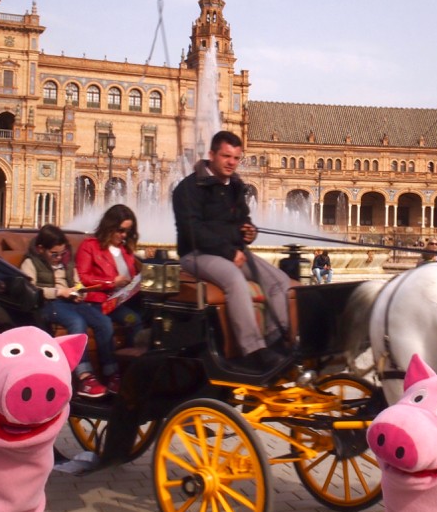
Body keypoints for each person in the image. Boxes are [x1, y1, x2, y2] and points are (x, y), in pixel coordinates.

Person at [172, 130, 292, 373]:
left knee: (279, 280)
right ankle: (253, 350)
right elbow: (192, 229)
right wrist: (228, 251)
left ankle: (275, 341)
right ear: (212, 155)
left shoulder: (236, 185)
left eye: (236, 158)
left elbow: (243, 220)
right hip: (196, 254)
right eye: (226, 156)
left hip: (231, 252)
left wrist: (249, 231)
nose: (231, 163)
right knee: (235, 280)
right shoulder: (188, 188)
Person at [20, 224, 117, 398]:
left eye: (62, 253)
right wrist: (59, 292)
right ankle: (84, 376)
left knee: (104, 322)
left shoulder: (67, 261)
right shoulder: (30, 263)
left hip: (71, 301)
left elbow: (77, 280)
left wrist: (78, 291)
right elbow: (31, 290)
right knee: (76, 322)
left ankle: (110, 372)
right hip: (49, 303)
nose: (58, 258)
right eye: (54, 254)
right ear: (41, 249)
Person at [75, 204, 143, 336]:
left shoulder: (126, 250)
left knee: (147, 316)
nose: (124, 235)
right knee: (133, 320)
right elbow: (83, 278)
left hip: (124, 302)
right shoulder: (90, 246)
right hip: (101, 304)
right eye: (120, 230)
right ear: (109, 227)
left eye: (128, 231)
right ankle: (117, 356)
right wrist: (111, 282)